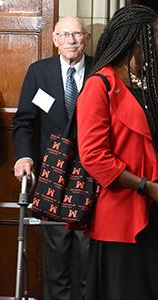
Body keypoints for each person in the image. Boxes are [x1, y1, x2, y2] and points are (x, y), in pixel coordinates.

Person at [76, 5, 158, 300]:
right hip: (123, 216)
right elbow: (93, 156)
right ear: (138, 39)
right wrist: (145, 186)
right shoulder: (100, 84)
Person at [12, 16, 92, 300]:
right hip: (52, 176)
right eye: (64, 34)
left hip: (91, 176)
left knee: (89, 257)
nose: (71, 40)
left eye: (77, 34)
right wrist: (23, 157)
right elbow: (24, 122)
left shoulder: (102, 71)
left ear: (87, 38)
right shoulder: (39, 72)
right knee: (56, 258)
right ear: (55, 39)